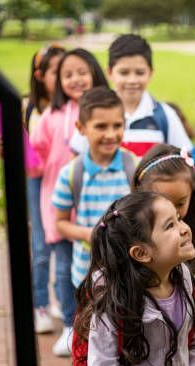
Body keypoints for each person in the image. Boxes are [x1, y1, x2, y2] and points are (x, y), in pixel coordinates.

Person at [74, 192, 195, 366]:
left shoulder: (193, 287)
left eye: (178, 218)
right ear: (141, 253)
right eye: (170, 226)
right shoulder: (113, 304)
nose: (185, 228)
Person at [30, 48, 108, 357]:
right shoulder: (51, 117)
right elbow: (35, 164)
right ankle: (69, 327)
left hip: (96, 204)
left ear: (94, 73)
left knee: (101, 268)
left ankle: (104, 325)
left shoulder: (105, 110)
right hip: (60, 206)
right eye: (67, 74)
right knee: (64, 269)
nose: (75, 79)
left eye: (81, 72)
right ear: (58, 82)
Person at [52, 87, 134, 289]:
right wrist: (86, 233)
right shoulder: (71, 174)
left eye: (117, 126)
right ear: (81, 128)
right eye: (101, 126)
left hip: (130, 272)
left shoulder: (133, 166)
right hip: (87, 275)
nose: (111, 134)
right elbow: (60, 223)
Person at [133, 144, 195, 307]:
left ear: (191, 195)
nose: (172, 212)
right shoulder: (133, 245)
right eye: (163, 203)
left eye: (180, 203)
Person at [25, 44, 65, 333]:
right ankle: (40, 303)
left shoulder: (72, 106)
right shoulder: (29, 106)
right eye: (56, 72)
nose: (62, 77)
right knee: (41, 246)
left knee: (64, 242)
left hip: (64, 178)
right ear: (40, 75)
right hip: (38, 180)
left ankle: (61, 298)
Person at [106, 34, 194, 157]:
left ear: (150, 73)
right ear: (109, 73)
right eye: (124, 73)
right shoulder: (97, 113)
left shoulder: (166, 115)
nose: (132, 80)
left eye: (140, 72)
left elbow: (184, 159)